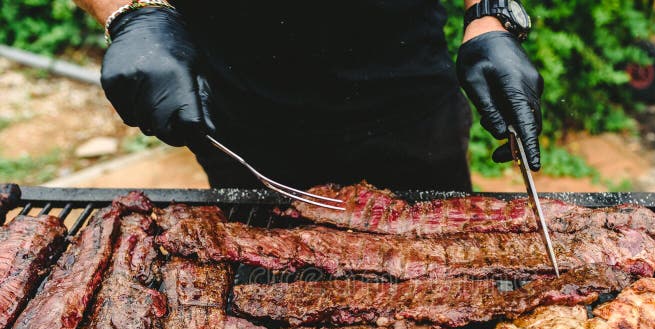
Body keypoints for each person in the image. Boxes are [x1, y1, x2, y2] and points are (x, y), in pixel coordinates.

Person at [75, 0, 544, 191]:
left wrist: (487, 15)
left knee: (443, 264)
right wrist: (130, 13)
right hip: (242, 113)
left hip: (409, 98)